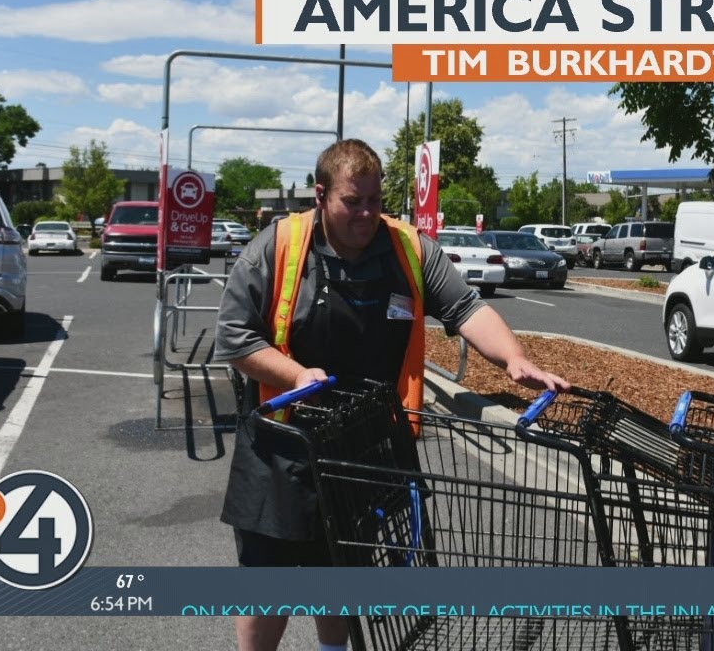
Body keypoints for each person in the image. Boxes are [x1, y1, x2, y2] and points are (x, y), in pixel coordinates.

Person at [214, 139, 569, 651]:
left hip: (368, 443)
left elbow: (466, 308)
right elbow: (235, 337)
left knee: (342, 572)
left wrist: (514, 359)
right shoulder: (278, 246)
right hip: (283, 443)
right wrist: (294, 375)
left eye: (375, 201)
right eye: (352, 201)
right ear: (321, 195)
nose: (365, 213)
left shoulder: (408, 247)